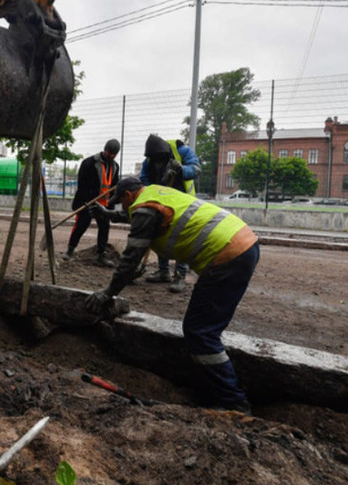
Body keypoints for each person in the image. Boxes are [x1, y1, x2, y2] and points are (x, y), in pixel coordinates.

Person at [87, 177, 259, 413]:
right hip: (241, 244)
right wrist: (108, 215)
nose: (124, 209)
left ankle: (233, 403)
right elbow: (143, 217)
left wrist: (108, 293)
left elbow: (129, 261)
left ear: (128, 196)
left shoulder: (144, 209)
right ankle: (219, 392)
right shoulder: (156, 193)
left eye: (122, 204)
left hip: (227, 257)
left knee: (200, 333)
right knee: (203, 330)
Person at [139, 134, 201, 293]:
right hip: (163, 202)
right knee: (160, 235)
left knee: (181, 237)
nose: (156, 161)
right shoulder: (149, 160)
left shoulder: (182, 151)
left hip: (184, 202)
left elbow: (196, 169)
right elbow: (144, 180)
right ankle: (163, 271)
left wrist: (181, 169)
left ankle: (179, 276)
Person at [61, 139, 120, 267]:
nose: (111, 155)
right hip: (88, 202)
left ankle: (101, 255)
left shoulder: (115, 166)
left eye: (114, 154)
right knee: (81, 225)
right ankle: (70, 250)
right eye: (109, 152)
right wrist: (86, 202)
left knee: (104, 229)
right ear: (104, 150)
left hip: (105, 205)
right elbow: (82, 185)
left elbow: (114, 185)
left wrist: (112, 203)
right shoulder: (89, 163)